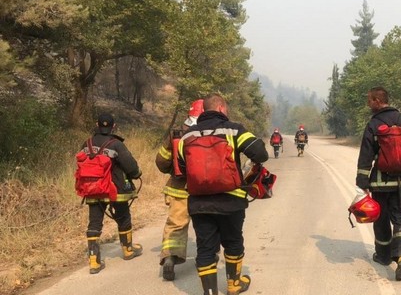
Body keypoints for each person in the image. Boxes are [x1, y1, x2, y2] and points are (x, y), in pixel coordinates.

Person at [178, 93, 269, 295]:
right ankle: (234, 285)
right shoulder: (234, 129)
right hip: (231, 201)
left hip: (199, 203)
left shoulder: (186, 136)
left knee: (205, 249)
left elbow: (184, 168)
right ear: (220, 108)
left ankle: (210, 292)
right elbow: (261, 154)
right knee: (233, 242)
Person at [355, 86, 401, 281]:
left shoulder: (374, 124)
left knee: (381, 220)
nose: (368, 104)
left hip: (380, 184)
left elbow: (366, 156)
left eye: (370, 100)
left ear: (378, 101)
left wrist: (362, 182)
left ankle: (383, 255)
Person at [81, 113, 143, 274]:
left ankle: (94, 261)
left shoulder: (86, 144)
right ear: (113, 126)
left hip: (92, 190)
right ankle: (128, 250)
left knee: (94, 223)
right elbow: (131, 167)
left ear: (97, 124)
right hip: (115, 189)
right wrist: (137, 174)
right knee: (123, 216)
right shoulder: (116, 144)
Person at [155, 99, 204, 281]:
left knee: (176, 224)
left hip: (178, 188)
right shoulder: (210, 132)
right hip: (202, 190)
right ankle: (207, 257)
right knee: (205, 225)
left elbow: (161, 162)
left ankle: (169, 257)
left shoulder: (176, 134)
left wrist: (173, 168)